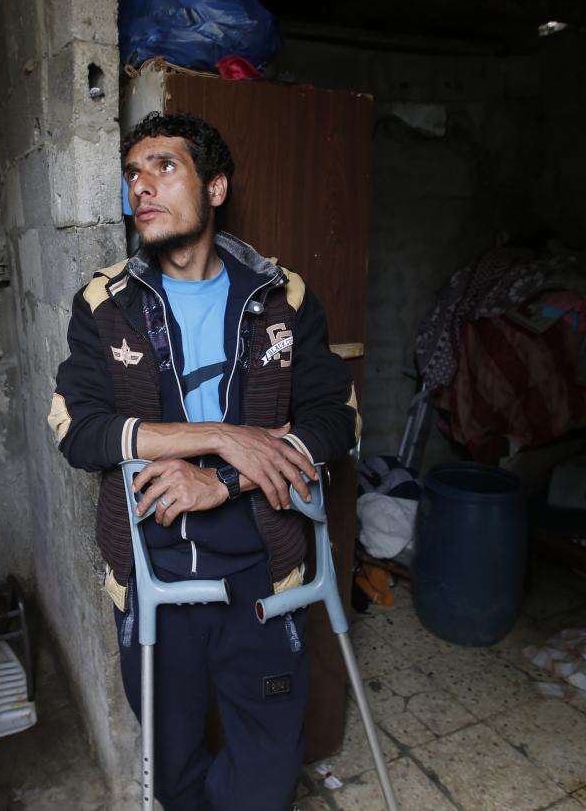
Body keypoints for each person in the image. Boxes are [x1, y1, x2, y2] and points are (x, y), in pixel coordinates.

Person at [47, 111, 358, 810]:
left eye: (164, 166)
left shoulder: (284, 295)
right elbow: (77, 427)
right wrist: (219, 433)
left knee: (269, 767)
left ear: (215, 187)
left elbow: (338, 418)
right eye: (133, 173)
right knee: (175, 766)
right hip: (152, 578)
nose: (141, 188)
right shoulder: (106, 304)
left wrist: (225, 477)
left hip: (264, 574)